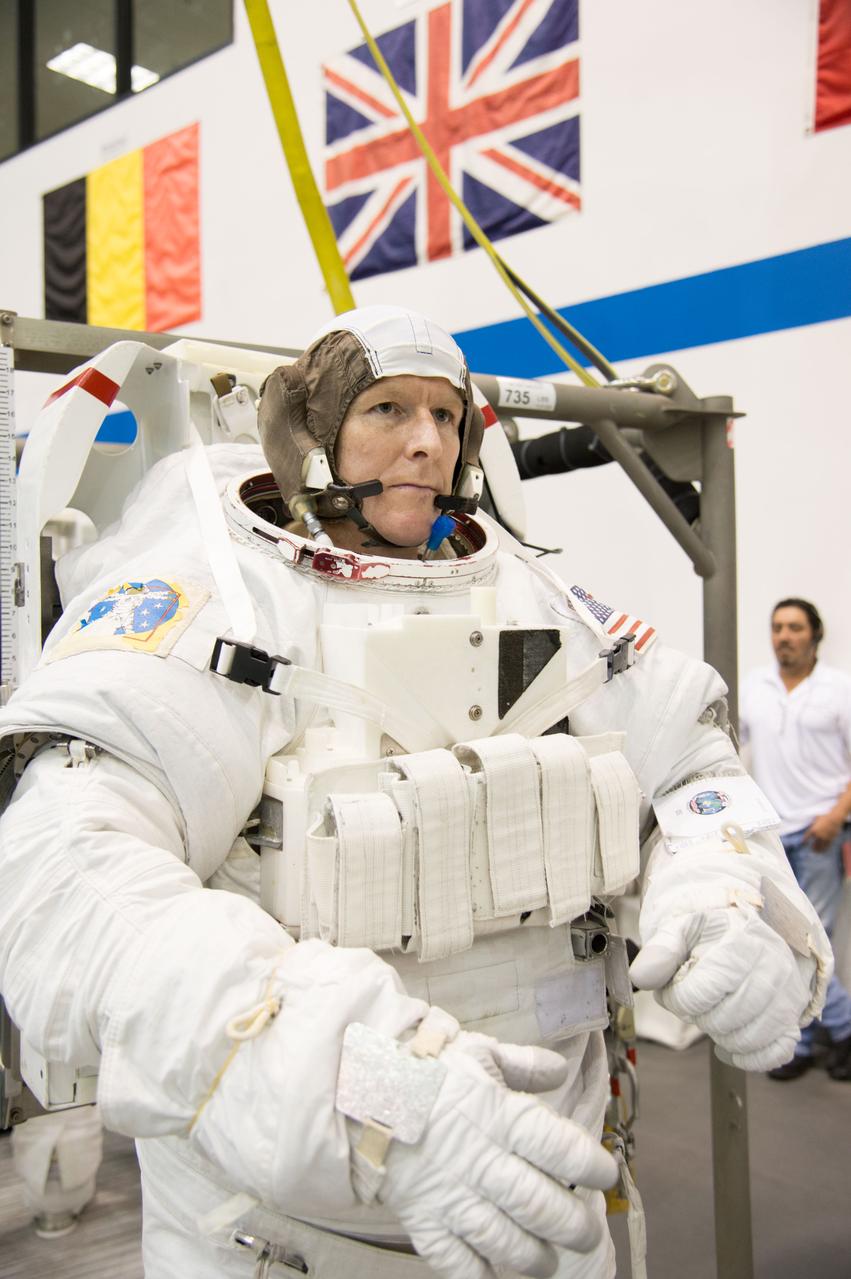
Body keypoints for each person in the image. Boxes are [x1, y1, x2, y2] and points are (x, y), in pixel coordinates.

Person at [0, 306, 832, 1279]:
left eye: (444, 413)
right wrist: (351, 1078)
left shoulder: (533, 597)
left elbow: (689, 762)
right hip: (286, 1239)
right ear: (315, 431)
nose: (425, 439)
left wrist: (727, 889)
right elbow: (64, 870)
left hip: (555, 1206)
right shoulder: (214, 604)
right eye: (388, 407)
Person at [741, 598, 851, 1081]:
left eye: (794, 627)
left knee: (814, 942)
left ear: (815, 634)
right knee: (789, 944)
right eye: (777, 627)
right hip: (771, 835)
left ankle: (840, 1032)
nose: (784, 636)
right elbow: (728, 746)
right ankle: (807, 1043)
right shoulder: (753, 686)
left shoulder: (840, 689)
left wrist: (835, 816)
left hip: (820, 834)